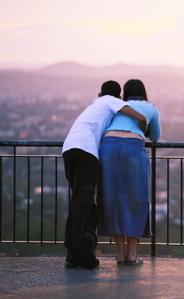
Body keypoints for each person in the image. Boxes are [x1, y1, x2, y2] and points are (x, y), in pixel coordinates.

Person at [62, 80, 147, 269]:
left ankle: (85, 249)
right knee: (82, 202)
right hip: (86, 151)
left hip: (69, 149)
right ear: (118, 96)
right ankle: (73, 252)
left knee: (82, 201)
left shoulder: (95, 104)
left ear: (98, 94)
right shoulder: (112, 101)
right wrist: (142, 131)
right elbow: (139, 117)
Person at [97, 79, 161, 265]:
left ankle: (121, 254)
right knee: (136, 198)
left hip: (108, 145)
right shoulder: (151, 107)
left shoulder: (119, 105)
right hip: (133, 147)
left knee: (111, 197)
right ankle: (132, 255)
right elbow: (155, 137)